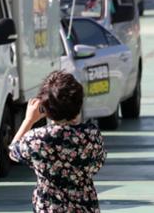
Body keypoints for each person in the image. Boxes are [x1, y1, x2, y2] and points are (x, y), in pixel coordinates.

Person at [9, 71, 106, 213]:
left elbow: (13, 151)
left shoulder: (37, 139)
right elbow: (97, 164)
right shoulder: (91, 134)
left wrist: (28, 120)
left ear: (46, 107)